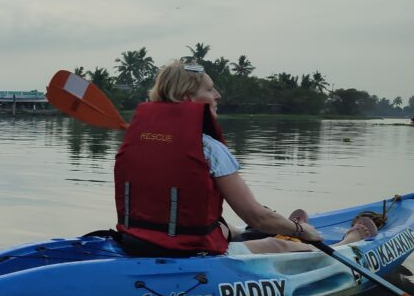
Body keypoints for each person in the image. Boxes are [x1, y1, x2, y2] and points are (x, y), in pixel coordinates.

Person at [113, 60, 378, 256]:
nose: (218, 96)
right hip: (190, 252)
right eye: (210, 90)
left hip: (137, 242)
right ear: (187, 98)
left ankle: (245, 233)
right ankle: (344, 245)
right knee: (278, 243)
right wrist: (301, 232)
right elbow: (256, 217)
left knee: (226, 226)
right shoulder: (208, 147)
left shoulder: (135, 140)